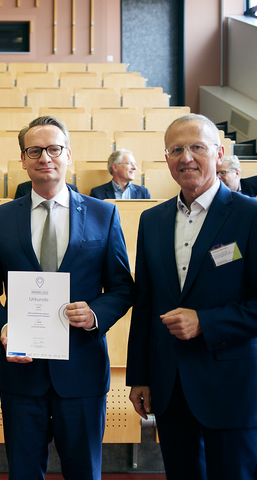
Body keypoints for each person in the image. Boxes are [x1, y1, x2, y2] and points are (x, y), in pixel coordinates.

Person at [0, 115, 134, 480]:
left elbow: (123, 287)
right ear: (24, 159)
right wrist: (3, 326)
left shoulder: (103, 214)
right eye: (35, 150)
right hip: (21, 373)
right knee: (24, 473)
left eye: (54, 148)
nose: (45, 157)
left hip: (82, 370)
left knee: (83, 473)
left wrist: (94, 315)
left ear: (68, 155)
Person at [126, 114, 257, 479]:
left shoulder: (250, 215)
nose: (186, 157)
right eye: (176, 149)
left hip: (233, 389)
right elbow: (146, 304)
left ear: (219, 153)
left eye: (196, 147)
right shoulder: (152, 220)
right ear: (166, 158)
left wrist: (206, 322)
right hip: (170, 388)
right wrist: (140, 376)